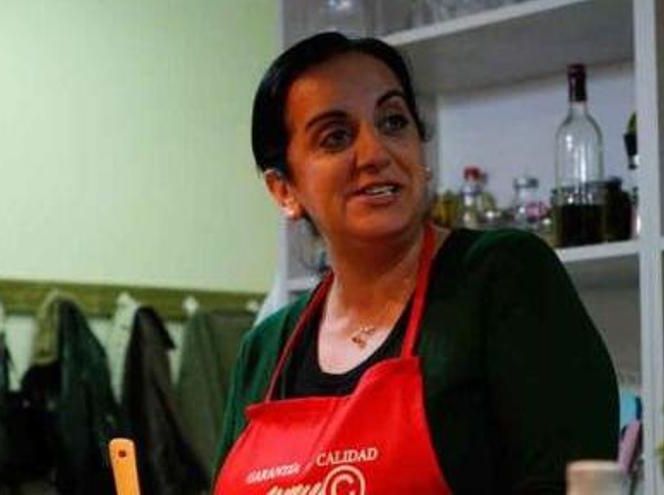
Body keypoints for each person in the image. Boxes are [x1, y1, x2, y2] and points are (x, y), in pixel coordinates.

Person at [212, 32, 618, 494]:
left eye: (392, 122)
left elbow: (571, 482)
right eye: (336, 137)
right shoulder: (265, 349)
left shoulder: (502, 275)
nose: (376, 153)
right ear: (284, 190)